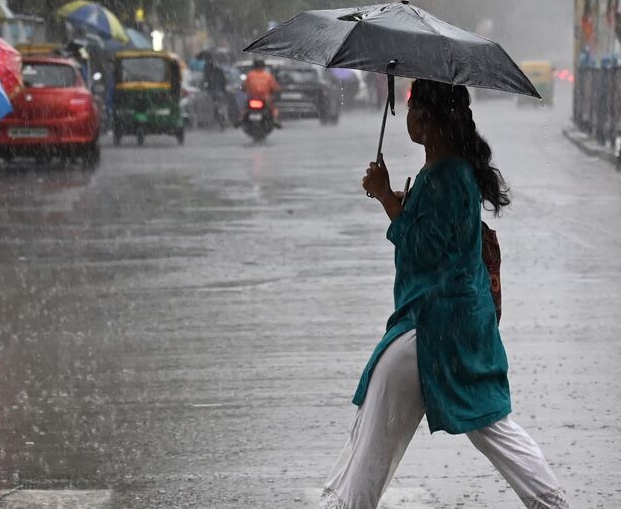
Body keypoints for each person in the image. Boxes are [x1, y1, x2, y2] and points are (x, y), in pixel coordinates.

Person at [320, 80, 568, 509]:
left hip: (433, 331)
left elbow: (424, 250)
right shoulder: (445, 173)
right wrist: (404, 203)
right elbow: (436, 235)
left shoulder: (447, 176)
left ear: (432, 120)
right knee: (489, 425)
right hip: (449, 329)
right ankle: (550, 502)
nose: (409, 116)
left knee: (377, 441)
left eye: (414, 107)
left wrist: (386, 199)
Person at [243, 59, 281, 126]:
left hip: (252, 97)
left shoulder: (250, 75)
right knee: (273, 109)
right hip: (265, 98)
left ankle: (240, 119)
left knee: (244, 108)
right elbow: (275, 87)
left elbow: (244, 86)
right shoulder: (268, 76)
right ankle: (275, 120)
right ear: (263, 66)